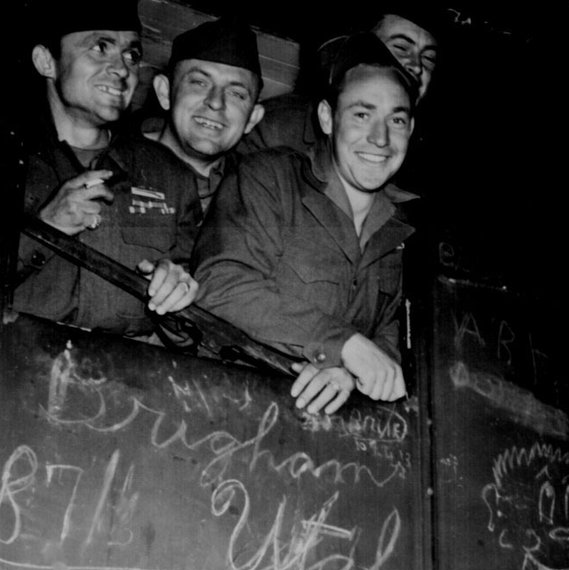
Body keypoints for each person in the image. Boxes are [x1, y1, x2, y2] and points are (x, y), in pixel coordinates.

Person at [192, 33, 418, 416]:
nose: (380, 139)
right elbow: (218, 283)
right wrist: (343, 345)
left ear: (410, 130)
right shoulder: (270, 178)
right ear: (328, 119)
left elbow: (396, 329)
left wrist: (354, 372)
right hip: (226, 406)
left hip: (328, 440)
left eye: (395, 120)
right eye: (362, 115)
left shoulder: (406, 227)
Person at [11, 0, 201, 335]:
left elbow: (189, 335)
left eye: (132, 55)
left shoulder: (170, 177)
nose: (123, 69)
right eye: (101, 48)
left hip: (122, 378)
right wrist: (42, 230)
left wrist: (176, 296)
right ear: (46, 62)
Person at [238, 8, 440, 157]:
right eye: (402, 48)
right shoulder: (280, 127)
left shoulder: (423, 157)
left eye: (428, 59)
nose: (417, 66)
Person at [144, 16, 265, 215]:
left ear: (252, 118)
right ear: (165, 92)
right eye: (199, 83)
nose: (216, 102)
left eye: (236, 93)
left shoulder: (260, 197)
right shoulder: (112, 160)